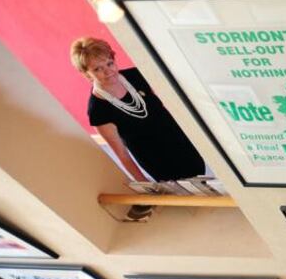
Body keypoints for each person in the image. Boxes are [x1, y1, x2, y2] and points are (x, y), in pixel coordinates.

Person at [71, 38, 206, 217]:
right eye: (97, 69)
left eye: (109, 63)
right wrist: (145, 186)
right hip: (157, 158)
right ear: (86, 74)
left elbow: (164, 105)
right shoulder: (98, 110)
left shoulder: (136, 75)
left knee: (200, 175)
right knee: (184, 192)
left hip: (179, 139)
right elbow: (122, 154)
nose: (108, 71)